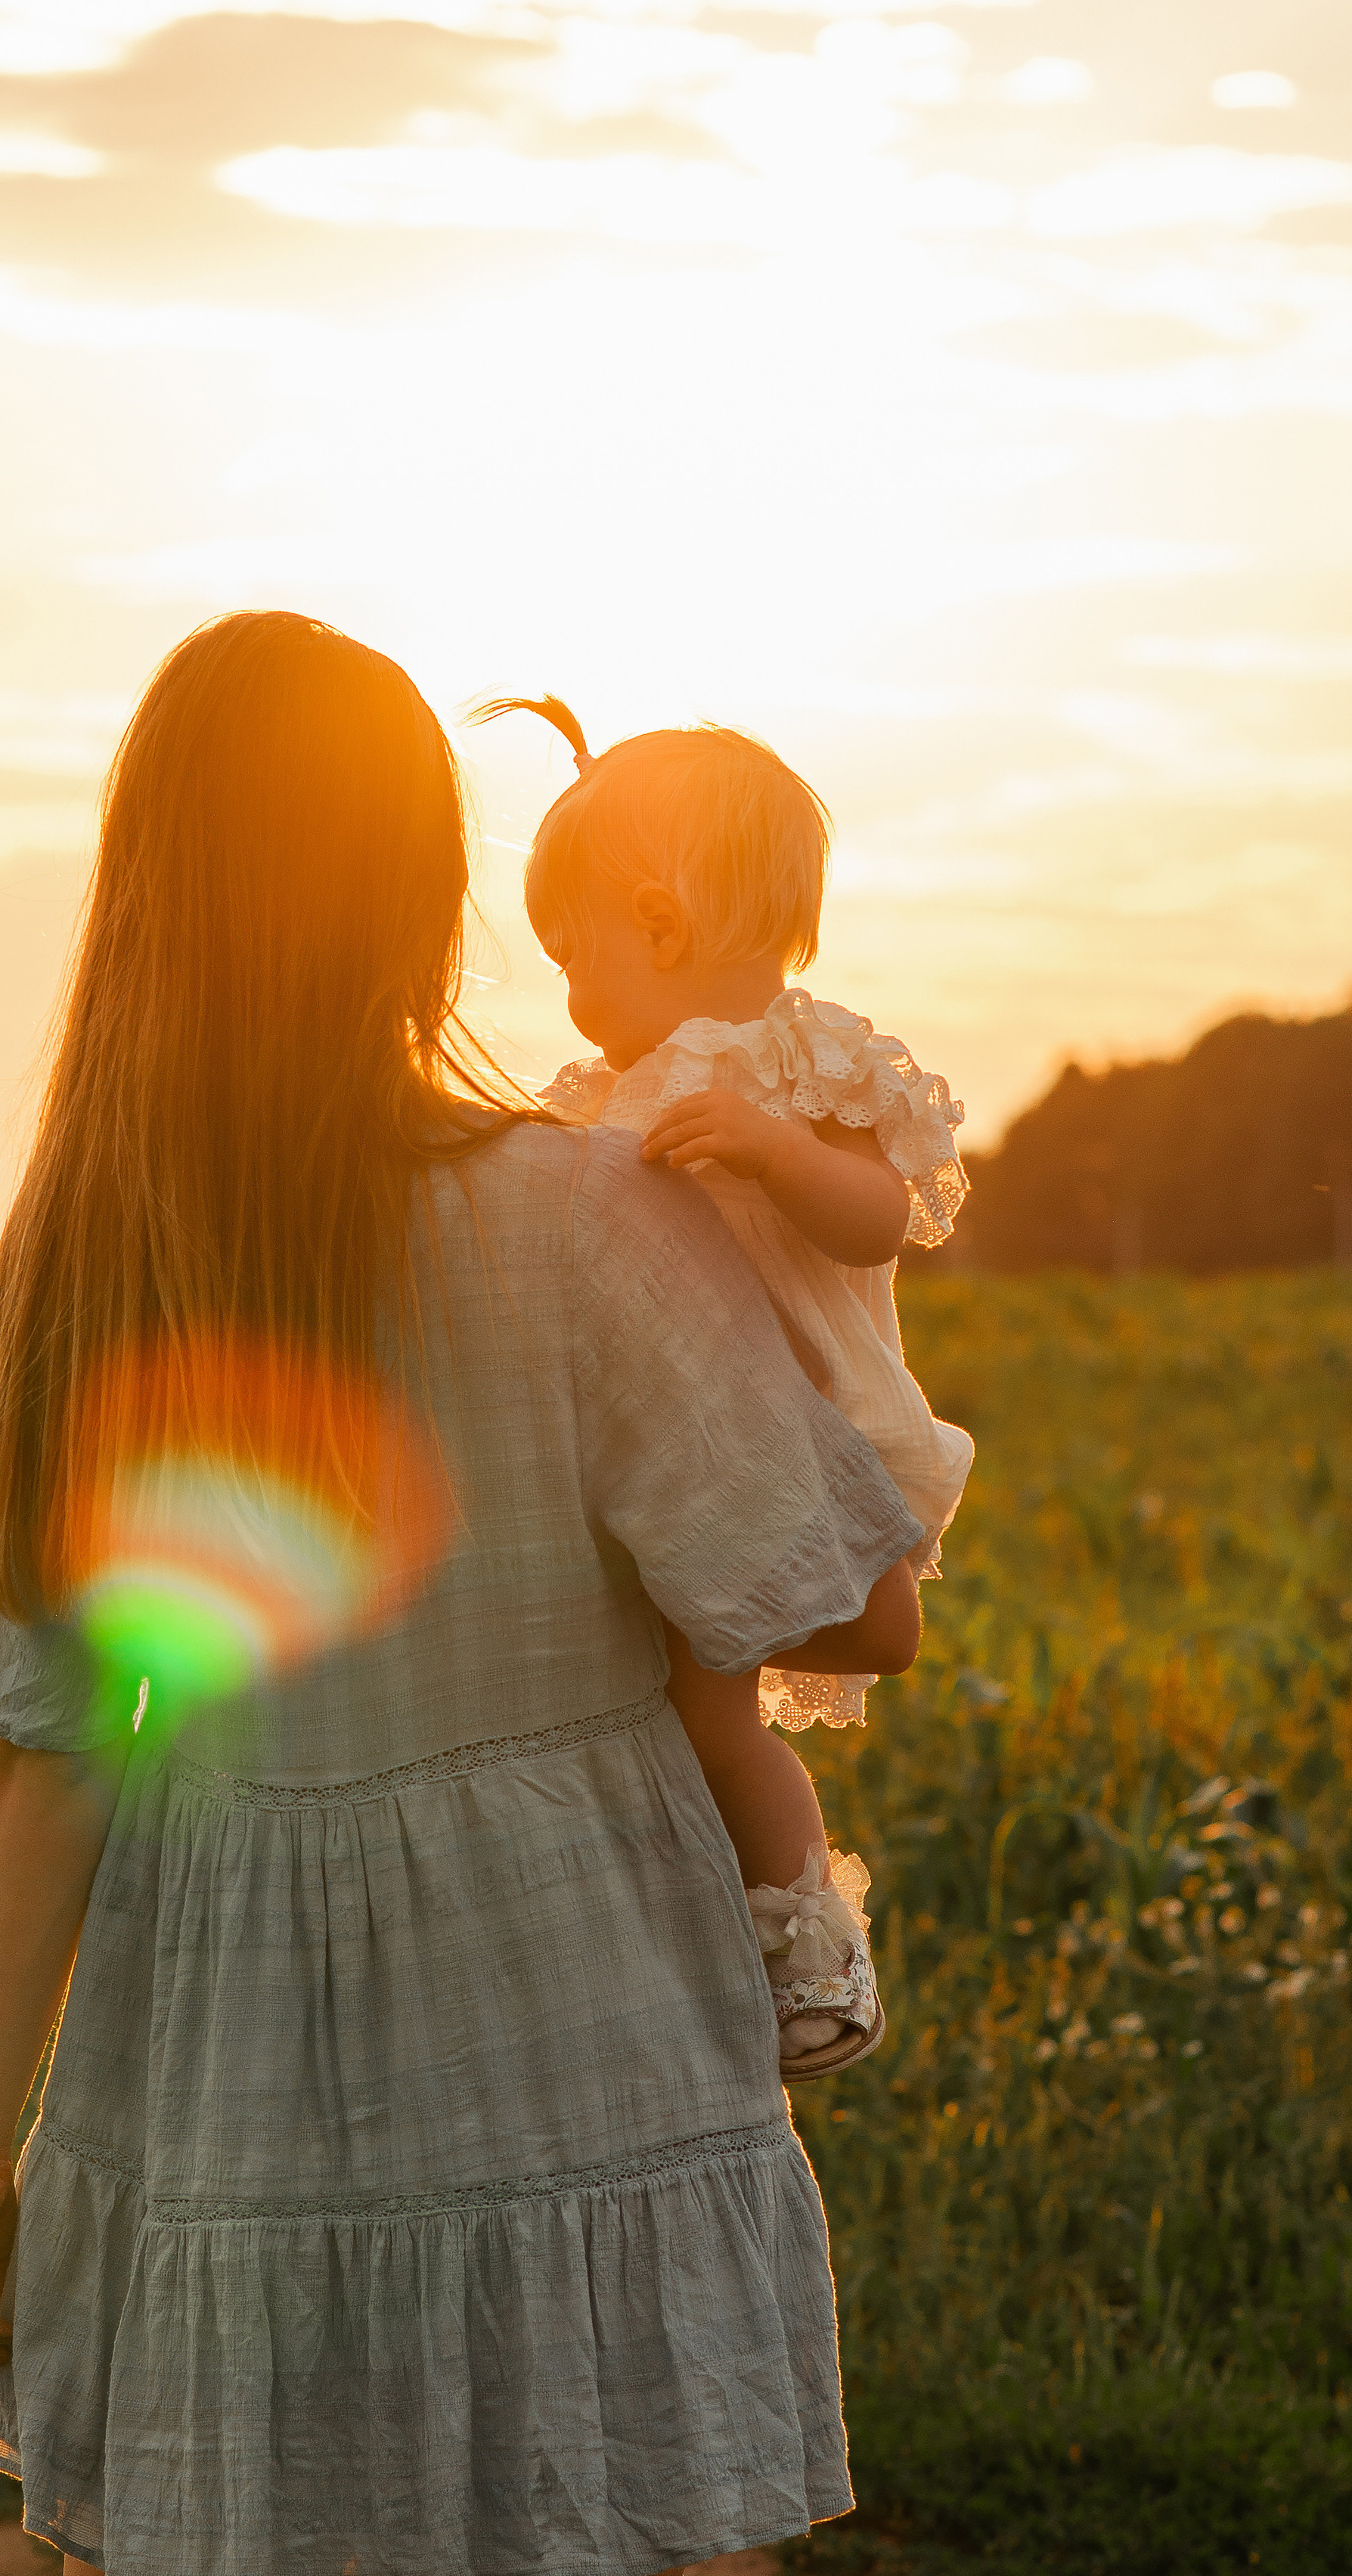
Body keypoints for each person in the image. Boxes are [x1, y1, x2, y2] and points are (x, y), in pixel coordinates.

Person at [0, 612, 924, 2576]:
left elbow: (51, 1748)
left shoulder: (97, 1256)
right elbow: (865, 1621)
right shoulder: (585, 1215)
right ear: (428, 894)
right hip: (581, 2042)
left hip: (221, 2078)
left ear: (144, 888)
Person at [479, 694, 971, 2079]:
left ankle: (813, 1945)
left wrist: (775, 1153)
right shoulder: (610, 1093)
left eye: (572, 955)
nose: (571, 995)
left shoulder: (809, 1065)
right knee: (671, 1707)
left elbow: (881, 1220)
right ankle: (711, 1940)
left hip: (810, 1435)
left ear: (658, 923)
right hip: (685, 1445)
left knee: (716, 1711)